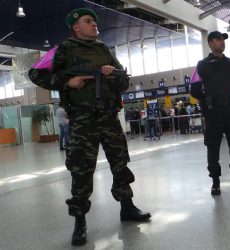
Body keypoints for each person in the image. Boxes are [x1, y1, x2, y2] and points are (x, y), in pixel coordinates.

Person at [29, 8, 151, 246]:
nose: (94, 24)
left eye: (94, 21)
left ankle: (127, 208)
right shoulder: (63, 50)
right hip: (83, 121)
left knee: (120, 164)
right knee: (81, 171)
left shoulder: (104, 49)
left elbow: (124, 80)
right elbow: (35, 74)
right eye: (88, 21)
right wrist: (67, 81)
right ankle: (80, 222)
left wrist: (112, 74)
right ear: (76, 27)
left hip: (109, 119)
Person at [190, 31, 230, 196]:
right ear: (211, 43)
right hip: (213, 113)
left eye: (223, 40)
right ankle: (215, 181)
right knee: (213, 147)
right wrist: (209, 97)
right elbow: (194, 90)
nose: (222, 42)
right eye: (218, 39)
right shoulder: (201, 65)